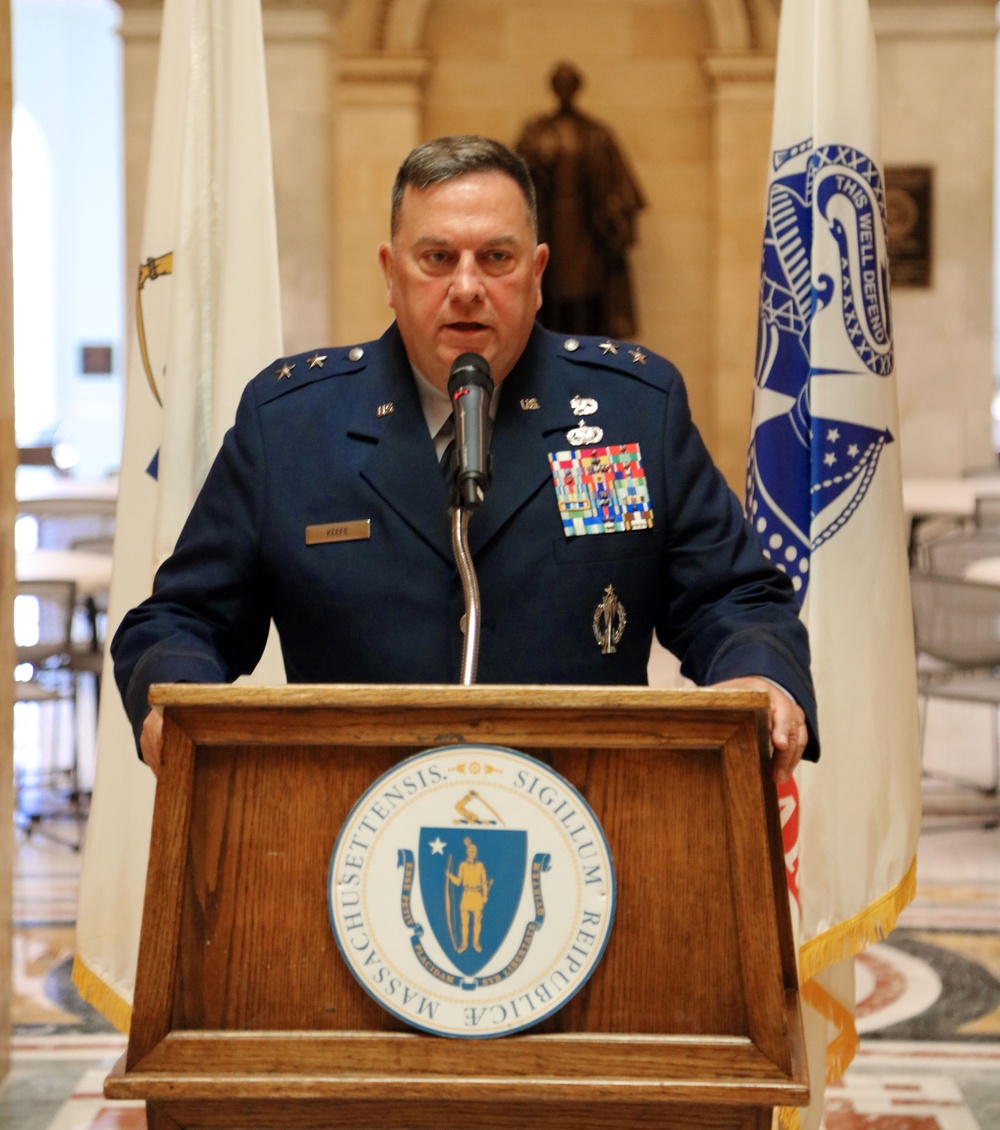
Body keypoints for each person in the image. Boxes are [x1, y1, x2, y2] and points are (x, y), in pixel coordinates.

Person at [112, 135, 818, 781]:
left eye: (497, 258)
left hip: (590, 814)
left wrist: (757, 676)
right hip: (346, 822)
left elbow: (734, 597)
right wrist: (176, 696)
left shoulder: (634, 408)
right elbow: (183, 619)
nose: (468, 286)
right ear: (392, 273)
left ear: (537, 272)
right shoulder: (291, 424)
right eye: (438, 257)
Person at [516, 62, 645, 338]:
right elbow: (515, 175)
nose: (564, 90)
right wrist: (539, 161)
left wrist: (614, 220)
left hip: (588, 231)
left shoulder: (597, 134)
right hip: (548, 226)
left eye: (569, 84)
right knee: (549, 290)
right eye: (559, 84)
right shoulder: (537, 131)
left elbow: (621, 187)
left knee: (588, 295)